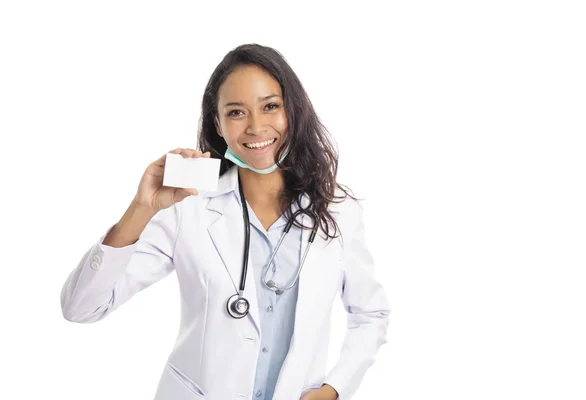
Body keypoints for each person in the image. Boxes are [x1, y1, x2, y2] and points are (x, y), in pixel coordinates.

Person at [60, 43, 391, 400]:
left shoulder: (337, 209)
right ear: (217, 124)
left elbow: (370, 314)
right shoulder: (188, 207)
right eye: (236, 112)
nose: (256, 126)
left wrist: (333, 389)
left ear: (292, 111)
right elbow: (82, 308)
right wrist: (142, 207)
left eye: (270, 106)